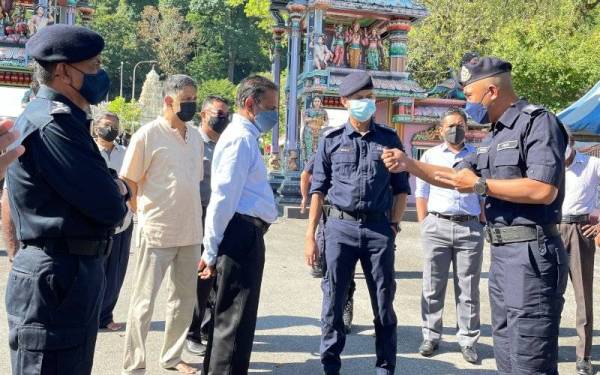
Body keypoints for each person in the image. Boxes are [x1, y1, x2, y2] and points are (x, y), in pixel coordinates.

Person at [382, 56, 569, 375]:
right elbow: (456, 178)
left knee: (530, 360)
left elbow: (542, 189)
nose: (466, 104)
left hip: (532, 255)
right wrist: (410, 165)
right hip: (502, 254)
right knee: (507, 356)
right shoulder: (493, 136)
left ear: (492, 91)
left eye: (468, 96)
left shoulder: (538, 122)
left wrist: (481, 185)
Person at [5, 24, 130, 375]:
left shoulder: (60, 119)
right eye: (93, 66)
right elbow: (109, 206)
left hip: (66, 273)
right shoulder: (54, 125)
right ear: (63, 71)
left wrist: (114, 187)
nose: (99, 74)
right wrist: (120, 189)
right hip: (58, 274)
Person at [305, 71, 411, 375]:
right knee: (334, 301)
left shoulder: (389, 139)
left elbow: (401, 189)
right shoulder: (331, 140)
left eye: (369, 98)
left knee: (383, 302)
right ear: (345, 102)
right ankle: (330, 366)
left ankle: (385, 367)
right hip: (339, 229)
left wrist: (393, 226)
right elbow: (318, 190)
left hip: (379, 230)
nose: (366, 103)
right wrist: (310, 235)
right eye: (359, 99)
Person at [120, 74, 204, 375]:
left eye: (195, 99)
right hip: (156, 232)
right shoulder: (147, 135)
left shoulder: (195, 138)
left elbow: (193, 183)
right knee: (143, 303)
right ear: (169, 100)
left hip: (191, 231)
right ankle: (134, 365)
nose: (192, 105)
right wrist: (143, 214)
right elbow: (128, 183)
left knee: (182, 301)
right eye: (187, 100)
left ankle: (171, 357)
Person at [198, 75, 279, 375]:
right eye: (270, 107)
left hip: (244, 231)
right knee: (234, 321)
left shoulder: (244, 137)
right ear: (249, 104)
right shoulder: (241, 138)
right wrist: (210, 248)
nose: (274, 115)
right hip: (240, 232)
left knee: (232, 319)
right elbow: (223, 198)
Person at [415, 108, 485, 363]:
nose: (455, 129)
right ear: (441, 130)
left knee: (468, 288)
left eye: (460, 125)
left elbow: (484, 191)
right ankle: (431, 335)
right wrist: (425, 223)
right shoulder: (431, 155)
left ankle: (467, 340)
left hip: (469, 228)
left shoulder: (478, 156)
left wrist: (482, 221)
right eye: (450, 126)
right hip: (437, 225)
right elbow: (421, 192)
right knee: (433, 285)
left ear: (467, 127)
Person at [186, 95, 230, 356]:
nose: (221, 118)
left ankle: (208, 327)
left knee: (219, 277)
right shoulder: (191, 142)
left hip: (223, 215)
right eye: (217, 113)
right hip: (198, 214)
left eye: (226, 113)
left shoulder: (227, 143)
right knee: (200, 275)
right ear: (203, 114)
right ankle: (191, 331)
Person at [300, 153, 356, 333]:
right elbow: (305, 175)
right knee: (328, 264)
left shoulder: (353, 153)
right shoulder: (322, 153)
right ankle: (331, 313)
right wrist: (305, 198)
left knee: (346, 267)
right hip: (327, 210)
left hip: (348, 215)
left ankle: (345, 304)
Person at [560, 132, 600, 375]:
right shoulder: (546, 165)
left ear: (571, 143)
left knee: (583, 294)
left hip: (580, 230)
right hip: (552, 229)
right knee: (548, 293)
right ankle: (544, 348)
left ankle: (583, 356)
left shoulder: (593, 164)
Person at [93, 112, 134, 332]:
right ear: (96, 127)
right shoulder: (88, 152)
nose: (110, 129)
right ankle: (90, 314)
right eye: (106, 125)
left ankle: (106, 315)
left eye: (114, 125)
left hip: (124, 220)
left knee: (115, 272)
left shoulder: (126, 154)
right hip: (97, 221)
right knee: (93, 270)